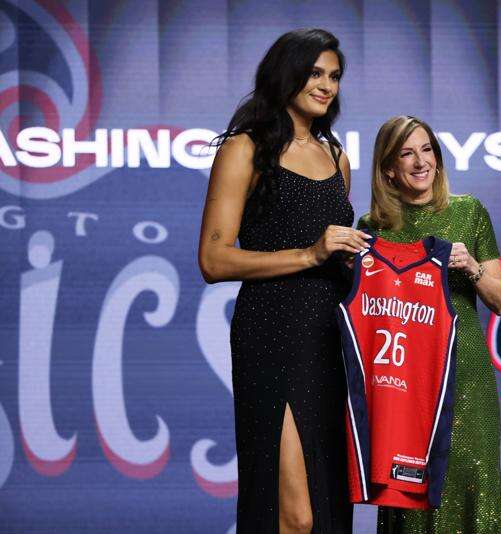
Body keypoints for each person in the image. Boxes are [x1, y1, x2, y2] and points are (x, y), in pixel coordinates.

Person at [198, 28, 370, 533]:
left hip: (330, 340)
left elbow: (337, 257)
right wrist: (310, 254)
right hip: (271, 334)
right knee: (294, 513)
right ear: (285, 73)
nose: (326, 86)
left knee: (327, 505)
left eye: (334, 76)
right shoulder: (245, 148)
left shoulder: (336, 157)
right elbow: (213, 259)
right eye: (315, 73)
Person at [358, 116, 501, 533]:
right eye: (406, 153)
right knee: (410, 488)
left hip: (466, 377)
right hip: (404, 381)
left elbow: (500, 301)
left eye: (427, 150)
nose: (420, 161)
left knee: (474, 483)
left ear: (438, 160)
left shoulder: (469, 212)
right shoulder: (372, 228)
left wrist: (473, 267)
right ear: (389, 169)